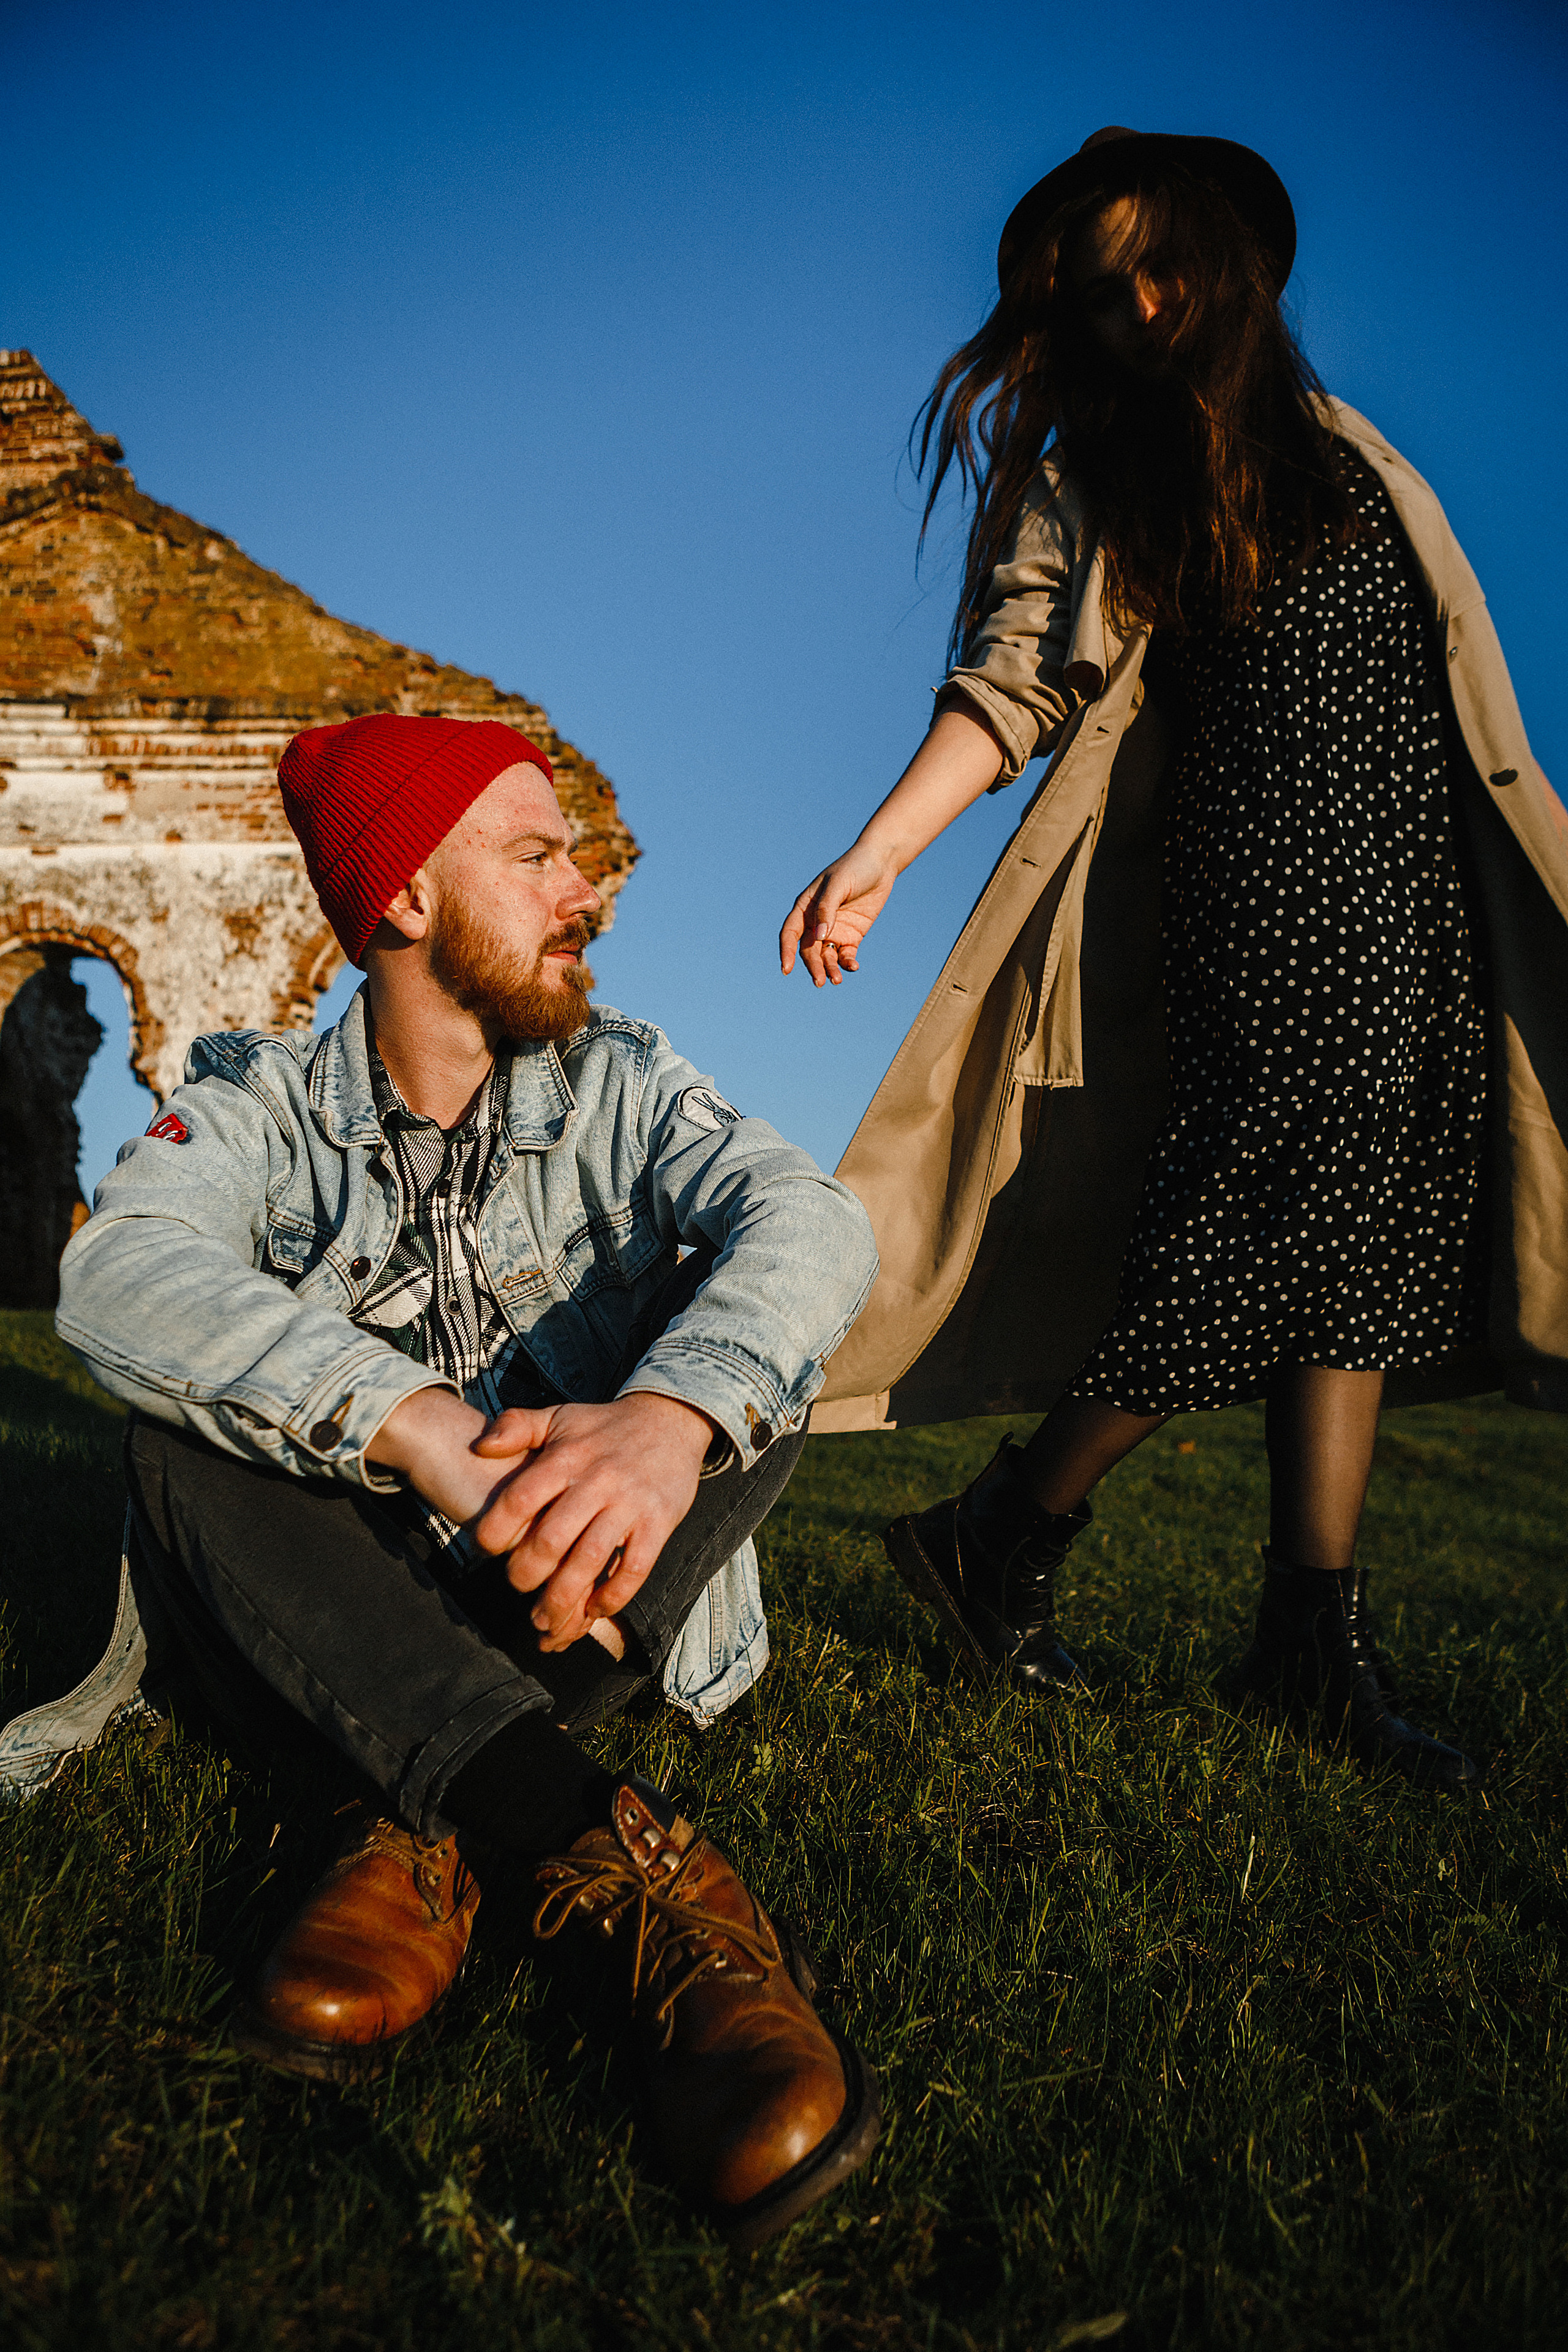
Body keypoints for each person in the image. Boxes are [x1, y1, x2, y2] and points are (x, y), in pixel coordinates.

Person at [782, 127, 1568, 1791]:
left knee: (1369, 1239)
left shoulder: (1345, 453)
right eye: (1101, 287)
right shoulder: (1102, 465)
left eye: (1157, 266)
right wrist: (877, 853)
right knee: (1269, 1216)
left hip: (1414, 893)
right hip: (1261, 890)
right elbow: (1015, 675)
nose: (1138, 304)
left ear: (1224, 261)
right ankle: (1007, 1526)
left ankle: (1305, 1639)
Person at [55, 712, 882, 2251]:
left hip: (577, 1576)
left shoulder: (625, 1082)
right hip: (359, 1573)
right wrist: (412, 1422)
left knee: (750, 1358)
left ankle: (406, 1812)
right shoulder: (255, 1109)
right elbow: (117, 1275)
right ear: (406, 898)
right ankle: (599, 1848)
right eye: (537, 857)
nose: (587, 894)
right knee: (182, 1429)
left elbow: (812, 1221)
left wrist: (663, 1424)